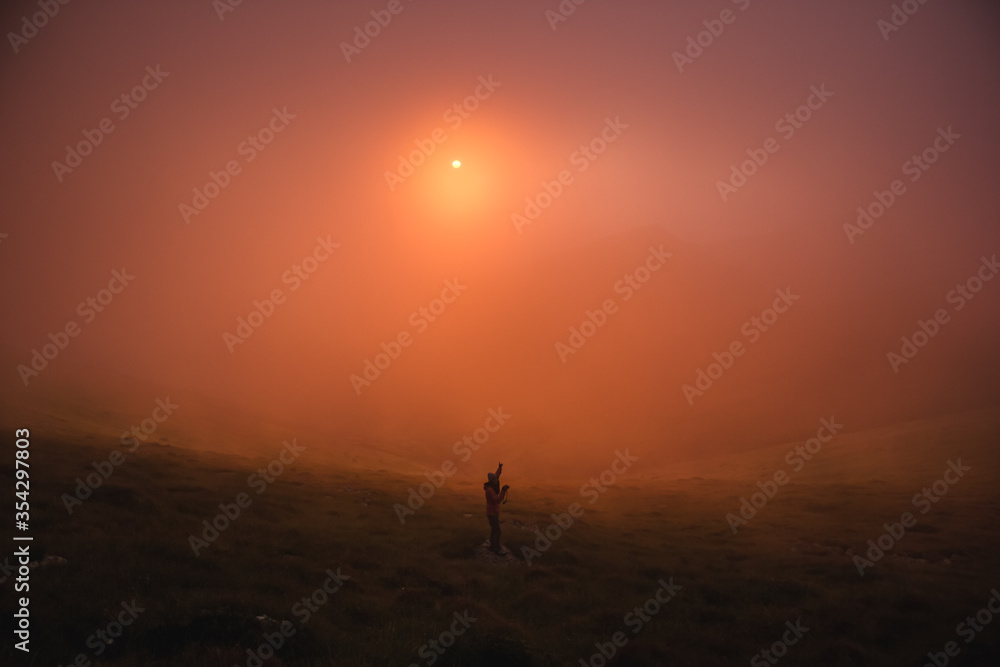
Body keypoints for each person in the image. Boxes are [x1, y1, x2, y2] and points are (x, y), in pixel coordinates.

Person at [484, 462, 509, 554]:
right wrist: (503, 490)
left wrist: (499, 468)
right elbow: (498, 500)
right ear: (491, 481)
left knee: (494, 529)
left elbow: (496, 475)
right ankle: (496, 548)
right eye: (494, 479)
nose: (496, 480)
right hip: (492, 513)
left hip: (493, 512)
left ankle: (492, 545)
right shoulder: (490, 490)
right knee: (497, 531)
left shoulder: (491, 485)